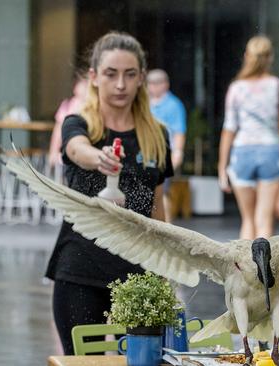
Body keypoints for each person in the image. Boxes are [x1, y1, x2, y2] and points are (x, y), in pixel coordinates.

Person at [45, 32, 174, 354]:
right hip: (80, 272)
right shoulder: (80, 124)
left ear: (141, 78)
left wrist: (167, 265)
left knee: (143, 361)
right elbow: (76, 149)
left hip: (139, 276)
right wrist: (97, 158)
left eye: (130, 75)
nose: (120, 85)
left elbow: (158, 205)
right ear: (93, 77)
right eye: (111, 74)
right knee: (85, 362)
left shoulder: (156, 135)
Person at [218, 35, 279, 240]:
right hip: (270, 152)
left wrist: (222, 167)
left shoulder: (236, 88)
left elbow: (229, 129)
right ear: (270, 57)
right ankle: (263, 271)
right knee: (263, 220)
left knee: (247, 220)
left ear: (247, 56)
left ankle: (245, 271)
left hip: (242, 153)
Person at [147, 69, 187, 222]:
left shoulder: (174, 105)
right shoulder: (144, 102)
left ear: (166, 84)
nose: (154, 87)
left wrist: (177, 153)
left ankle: (167, 229)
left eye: (158, 83)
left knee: (161, 193)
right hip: (144, 155)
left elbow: (179, 131)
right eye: (151, 83)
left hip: (164, 155)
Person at [49, 72, 88, 167]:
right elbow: (58, 131)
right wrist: (53, 152)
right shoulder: (68, 105)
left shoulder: (93, 107)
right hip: (65, 153)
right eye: (83, 83)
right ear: (75, 88)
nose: (86, 87)